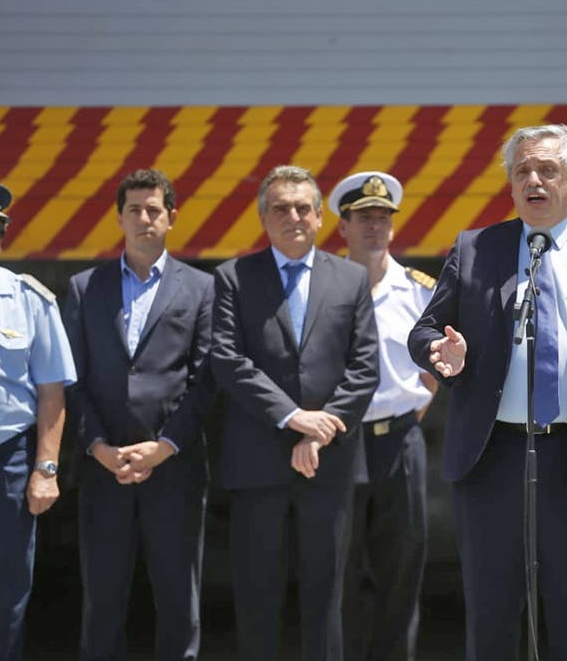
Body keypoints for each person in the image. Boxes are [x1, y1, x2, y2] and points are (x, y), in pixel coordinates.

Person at [407, 124, 567, 661]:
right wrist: (444, 357)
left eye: (547, 170)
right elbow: (424, 331)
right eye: (522, 170)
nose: (533, 180)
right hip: (493, 455)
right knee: (493, 613)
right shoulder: (476, 249)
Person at [210, 165, 379, 661]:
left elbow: (365, 366)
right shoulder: (233, 277)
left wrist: (319, 432)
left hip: (328, 463)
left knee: (326, 596)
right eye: (281, 207)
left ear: (321, 215)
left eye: (303, 206)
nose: (294, 216)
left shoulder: (350, 279)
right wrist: (292, 418)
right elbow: (227, 359)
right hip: (257, 464)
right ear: (263, 217)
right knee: (257, 595)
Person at [63, 169, 214, 661]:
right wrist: (99, 448)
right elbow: (72, 381)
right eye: (135, 210)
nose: (144, 218)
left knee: (177, 600)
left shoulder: (202, 289)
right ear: (120, 217)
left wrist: (165, 447)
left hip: (175, 468)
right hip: (104, 470)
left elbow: (206, 380)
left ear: (172, 217)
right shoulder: (86, 288)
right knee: (103, 600)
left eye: (154, 210)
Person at [328, 171, 438, 661]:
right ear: (343, 227)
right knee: (339, 570)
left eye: (382, 218)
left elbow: (438, 366)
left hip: (399, 439)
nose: (374, 226)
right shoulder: (323, 289)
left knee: (401, 569)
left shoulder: (419, 291)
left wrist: (416, 407)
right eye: (363, 218)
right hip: (340, 440)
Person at [0, 180, 76, 660]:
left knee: (4, 599)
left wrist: (45, 469)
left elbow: (52, 393)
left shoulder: (31, 299)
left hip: (5, 469)